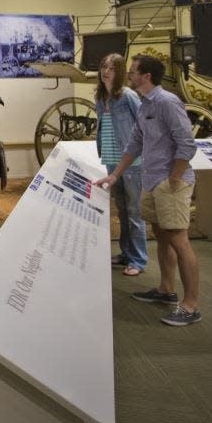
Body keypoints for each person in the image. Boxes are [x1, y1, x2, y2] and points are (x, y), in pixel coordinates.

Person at [95, 54, 200, 326]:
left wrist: (174, 179)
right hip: (152, 180)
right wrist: (115, 175)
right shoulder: (144, 105)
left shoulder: (167, 102)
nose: (128, 75)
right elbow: (135, 143)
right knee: (161, 234)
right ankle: (166, 289)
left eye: (132, 71)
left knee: (179, 239)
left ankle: (190, 305)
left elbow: (187, 144)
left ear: (147, 76)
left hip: (169, 182)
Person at [95, 53, 147, 277]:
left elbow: (143, 124)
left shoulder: (128, 96)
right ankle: (126, 253)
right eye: (104, 66)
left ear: (120, 72)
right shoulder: (100, 97)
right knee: (122, 211)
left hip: (132, 162)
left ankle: (139, 259)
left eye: (112, 68)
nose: (107, 71)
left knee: (134, 212)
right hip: (111, 161)